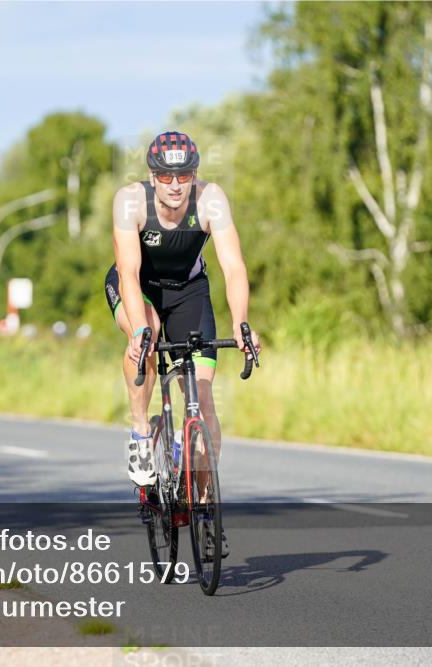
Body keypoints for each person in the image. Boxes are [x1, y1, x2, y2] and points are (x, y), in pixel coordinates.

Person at [105, 131, 261, 558]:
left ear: (195, 173)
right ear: (152, 176)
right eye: (165, 175)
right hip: (141, 288)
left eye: (184, 174)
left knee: (204, 403)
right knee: (148, 335)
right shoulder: (129, 202)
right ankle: (140, 433)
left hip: (190, 291)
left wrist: (243, 324)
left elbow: (233, 267)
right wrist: (140, 328)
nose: (175, 184)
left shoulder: (211, 200)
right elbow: (130, 273)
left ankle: (206, 507)